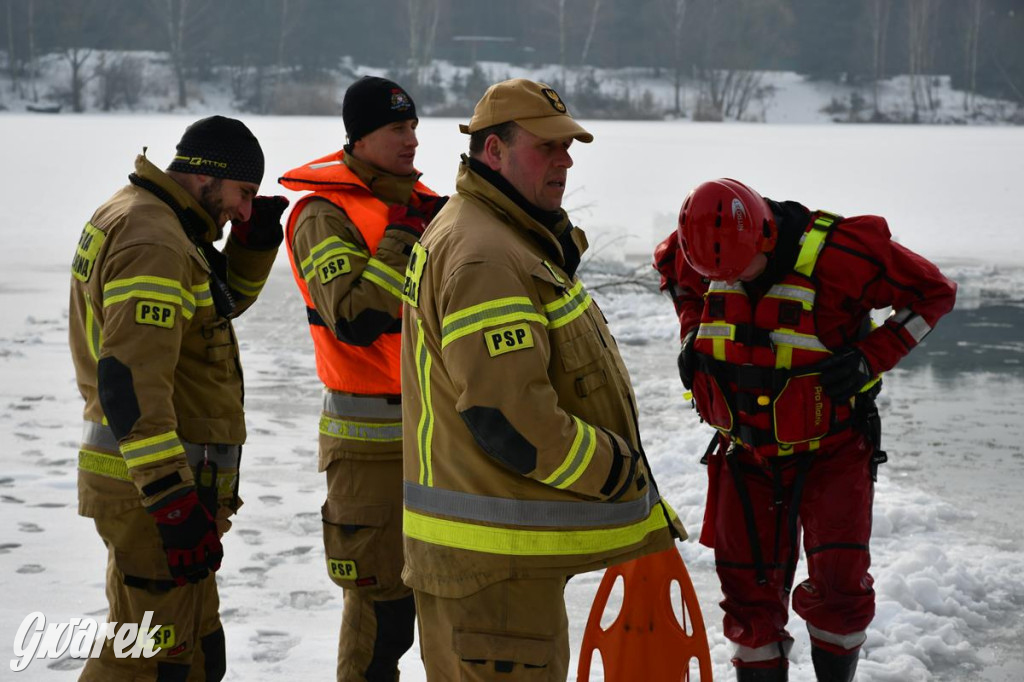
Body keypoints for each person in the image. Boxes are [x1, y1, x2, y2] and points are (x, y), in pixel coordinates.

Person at [399, 77, 686, 681]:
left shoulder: (500, 235)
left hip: (493, 568)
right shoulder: (485, 255)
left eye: (568, 146)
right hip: (493, 573)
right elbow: (510, 420)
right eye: (546, 147)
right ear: (494, 150)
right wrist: (613, 469)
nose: (565, 160)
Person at [654, 178, 957, 682]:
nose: (729, 282)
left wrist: (870, 357)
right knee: (747, 599)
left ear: (766, 237)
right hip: (744, 456)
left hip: (832, 455)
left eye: (740, 271)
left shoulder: (845, 255)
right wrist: (692, 332)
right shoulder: (695, 249)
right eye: (716, 277)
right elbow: (678, 278)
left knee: (839, 591)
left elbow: (935, 293)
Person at [69, 115, 289, 681]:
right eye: (243, 194)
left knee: (194, 656)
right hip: (152, 491)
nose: (245, 210)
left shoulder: (158, 220)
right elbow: (132, 381)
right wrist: (169, 497)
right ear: (206, 176)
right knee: (145, 663)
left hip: (164, 486)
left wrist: (251, 250)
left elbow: (203, 318)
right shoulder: (154, 240)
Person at [278, 76, 443, 682]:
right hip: (368, 443)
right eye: (397, 128)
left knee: (444, 597)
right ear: (360, 137)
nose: (412, 139)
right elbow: (353, 317)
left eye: (414, 126)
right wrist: (402, 239)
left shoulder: (423, 206)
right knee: (382, 613)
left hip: (435, 433)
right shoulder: (322, 214)